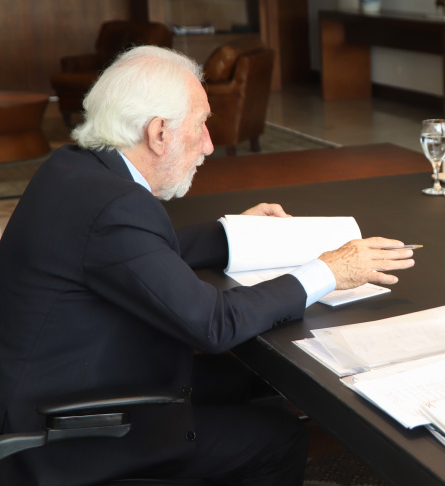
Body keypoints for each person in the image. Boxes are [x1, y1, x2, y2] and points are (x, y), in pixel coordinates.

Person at [0, 46, 415, 485]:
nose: (210, 144)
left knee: (242, 380)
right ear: (158, 132)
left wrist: (233, 233)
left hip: (56, 381)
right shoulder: (118, 205)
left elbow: (134, 253)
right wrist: (329, 271)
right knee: (279, 437)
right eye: (201, 125)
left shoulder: (74, 168)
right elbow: (215, 324)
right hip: (72, 431)